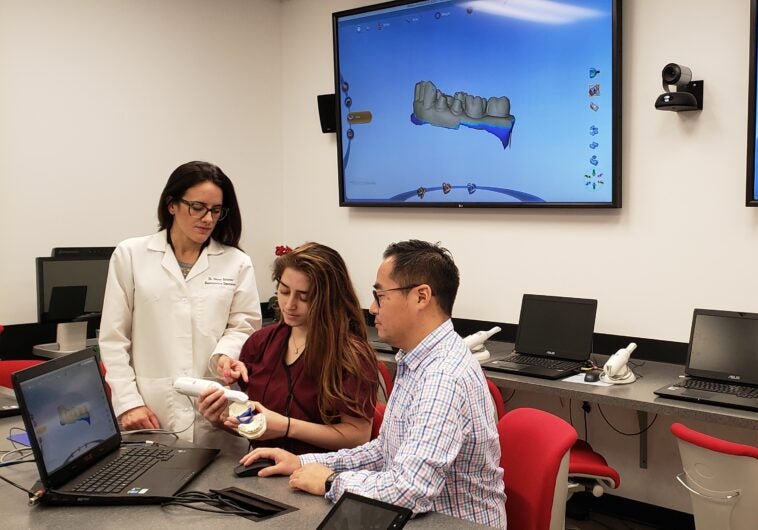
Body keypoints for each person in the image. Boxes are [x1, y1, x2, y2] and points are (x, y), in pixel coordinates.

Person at [241, 240, 506, 528]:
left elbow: (409, 490)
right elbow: (384, 451)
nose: (372, 308)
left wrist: (331, 481)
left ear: (421, 297)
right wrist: (304, 463)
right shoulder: (416, 359)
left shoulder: (442, 378)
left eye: (380, 296)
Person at [99, 161, 261, 444]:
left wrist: (223, 356)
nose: (208, 219)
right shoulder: (131, 255)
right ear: (171, 204)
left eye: (215, 210)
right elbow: (114, 339)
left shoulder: (237, 262)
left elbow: (243, 325)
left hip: (214, 407)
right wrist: (128, 403)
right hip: (149, 411)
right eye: (197, 207)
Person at [195, 242, 383, 454]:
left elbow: (357, 436)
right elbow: (255, 425)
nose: (289, 305)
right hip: (262, 472)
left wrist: (286, 427)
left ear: (328, 299)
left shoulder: (351, 355)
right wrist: (220, 419)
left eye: (305, 297)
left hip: (318, 477)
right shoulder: (261, 343)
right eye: (284, 291)